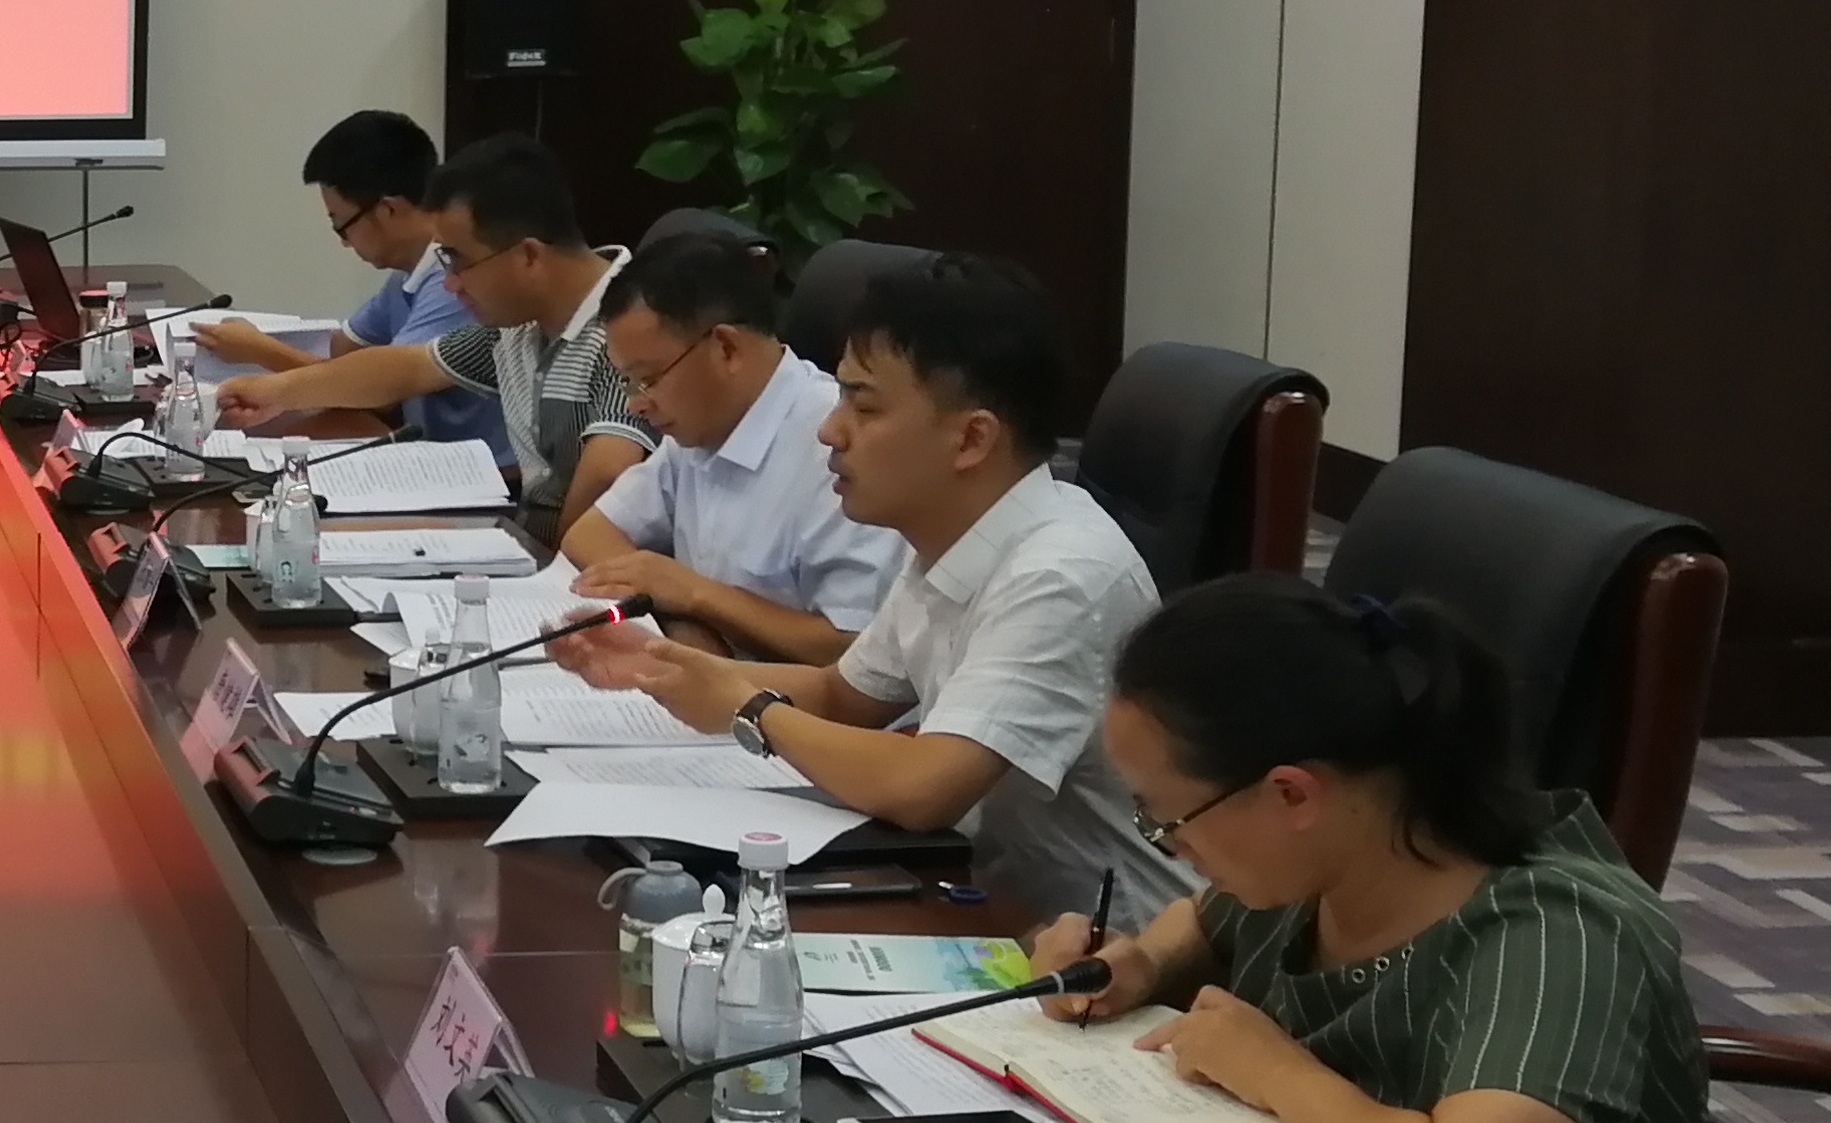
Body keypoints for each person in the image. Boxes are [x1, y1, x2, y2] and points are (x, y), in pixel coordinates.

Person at [1022, 577, 1763, 1123]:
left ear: (1292, 792)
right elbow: (1197, 926)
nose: (1170, 849)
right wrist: (1136, 964)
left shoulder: (1563, 934)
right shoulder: (1340, 853)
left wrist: (1274, 1069)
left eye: (1165, 821)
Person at [553, 252, 1183, 922]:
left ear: (971, 439)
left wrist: (748, 708)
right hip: (978, 898)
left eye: (864, 405)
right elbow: (843, 697)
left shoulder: (1060, 575)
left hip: (1107, 949)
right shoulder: (950, 537)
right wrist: (664, 666)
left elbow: (923, 787)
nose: (830, 430)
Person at [216, 134, 642, 521]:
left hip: (569, 562)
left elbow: (607, 472)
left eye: (458, 260)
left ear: (528, 256)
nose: (450, 283)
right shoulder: (518, 327)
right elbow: (406, 369)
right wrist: (275, 391)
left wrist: (552, 570)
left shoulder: (632, 330)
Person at [563, 227, 901, 662]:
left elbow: (852, 651)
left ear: (725, 347)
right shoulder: (700, 424)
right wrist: (684, 624)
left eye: (647, 378)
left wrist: (695, 596)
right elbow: (589, 534)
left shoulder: (839, 445)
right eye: (629, 381)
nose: (636, 403)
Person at [186, 112, 513, 459]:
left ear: (388, 210)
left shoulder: (453, 284)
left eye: (341, 225)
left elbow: (384, 387)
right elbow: (344, 357)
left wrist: (261, 354)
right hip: (429, 457)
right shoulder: (406, 275)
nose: (343, 242)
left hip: (483, 473)